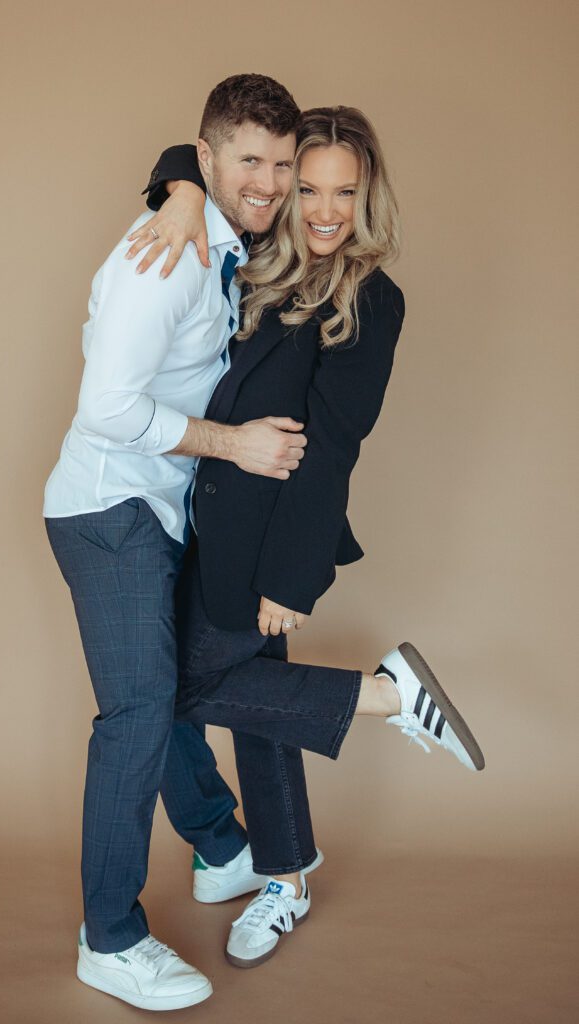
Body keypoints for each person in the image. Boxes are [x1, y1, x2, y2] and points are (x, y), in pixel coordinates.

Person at [125, 104, 485, 971]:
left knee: (166, 691)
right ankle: (283, 873)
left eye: (345, 192)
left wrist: (291, 581)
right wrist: (178, 191)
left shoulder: (368, 295)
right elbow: (203, 157)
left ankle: (391, 697)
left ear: (369, 199)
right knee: (248, 695)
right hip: (199, 515)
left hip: (266, 538)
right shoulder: (259, 262)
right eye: (308, 185)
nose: (325, 210)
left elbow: (329, 454)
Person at [43, 74, 305, 1011]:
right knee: (139, 712)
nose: (269, 183)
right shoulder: (166, 257)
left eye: (280, 163)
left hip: (158, 507)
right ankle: (107, 938)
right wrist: (234, 445)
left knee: (179, 688)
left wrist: (184, 186)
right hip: (109, 510)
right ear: (207, 160)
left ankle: (223, 851)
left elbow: (199, 171)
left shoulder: (222, 229)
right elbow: (105, 410)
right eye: (248, 163)